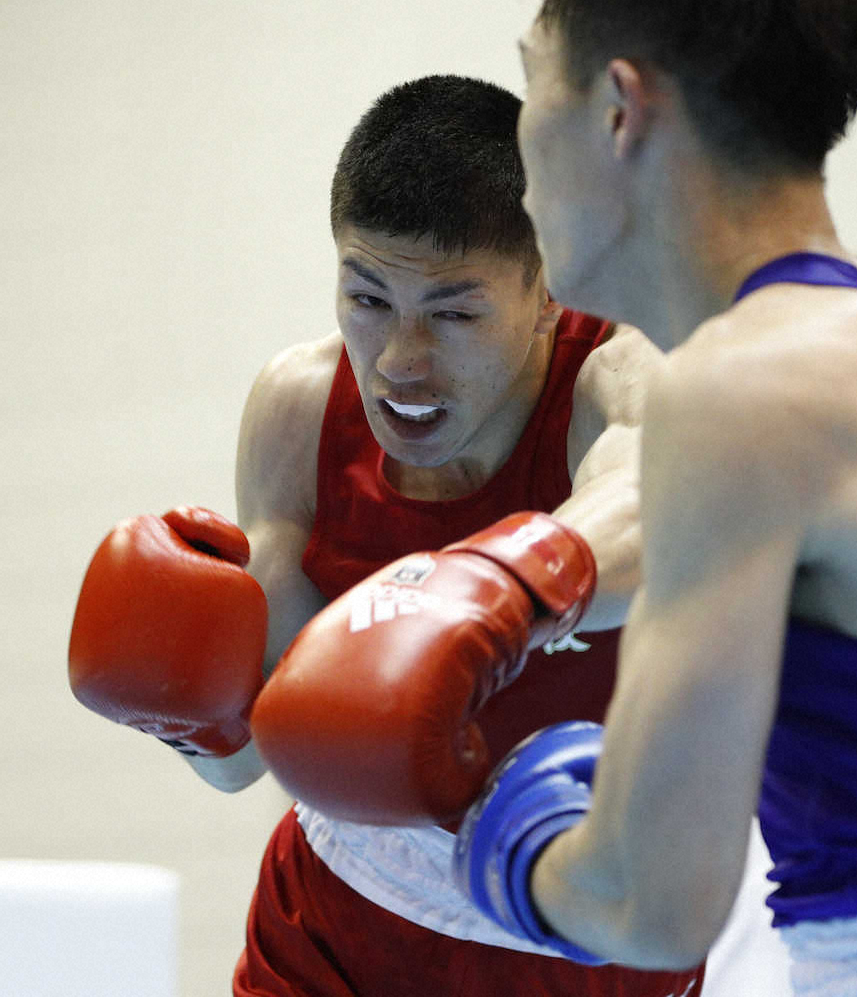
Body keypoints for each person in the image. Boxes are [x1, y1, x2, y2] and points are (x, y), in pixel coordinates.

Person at [68, 75, 786, 996]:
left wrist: (484, 591)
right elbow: (249, 758)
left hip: (578, 946)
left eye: (453, 313)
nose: (402, 360)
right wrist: (187, 712)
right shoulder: (301, 409)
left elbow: (652, 498)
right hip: (329, 933)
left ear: (548, 297)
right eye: (367, 298)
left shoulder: (619, 376)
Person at [448, 0, 857, 995]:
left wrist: (502, 838)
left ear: (615, 109)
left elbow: (648, 899)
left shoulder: (739, 390)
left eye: (530, 82)